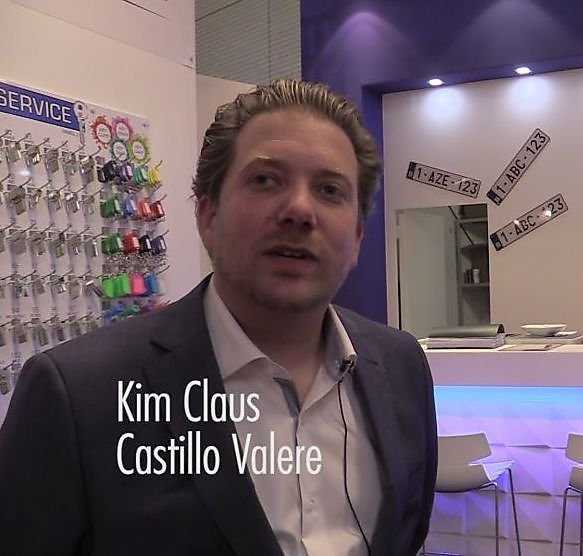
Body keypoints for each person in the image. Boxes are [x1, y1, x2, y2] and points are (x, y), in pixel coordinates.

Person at [0, 79, 437, 555]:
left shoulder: (401, 366)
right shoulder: (77, 395)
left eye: (330, 190)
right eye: (265, 180)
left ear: (356, 240)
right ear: (208, 217)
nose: (299, 209)